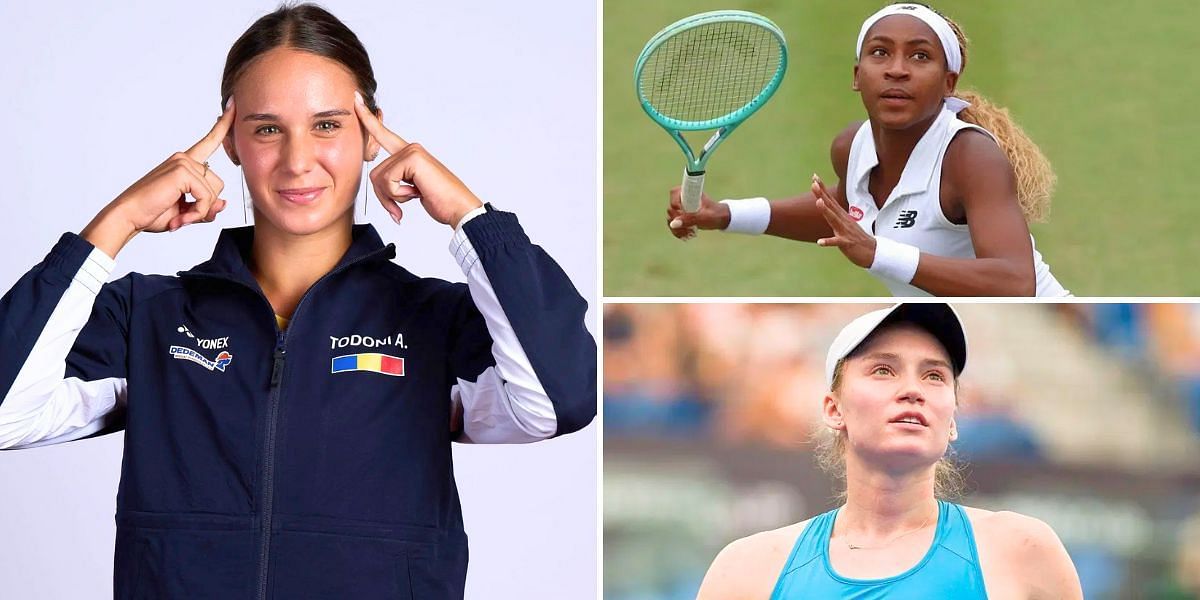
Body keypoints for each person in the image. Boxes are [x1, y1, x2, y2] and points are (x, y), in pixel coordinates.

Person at [0, 4, 594, 599]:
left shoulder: (433, 322)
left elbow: (558, 400)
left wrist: (470, 217)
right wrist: (117, 221)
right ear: (229, 141)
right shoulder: (148, 318)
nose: (297, 159)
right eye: (266, 128)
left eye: (328, 124)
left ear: (372, 131)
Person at [666, 3, 1070, 297]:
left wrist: (878, 253)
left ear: (948, 82)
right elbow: (844, 213)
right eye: (880, 52)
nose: (897, 69)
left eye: (920, 56)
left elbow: (1016, 281)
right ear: (858, 76)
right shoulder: (851, 145)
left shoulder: (970, 158)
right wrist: (725, 214)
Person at [695, 303, 1083, 599]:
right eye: (884, 370)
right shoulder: (746, 570)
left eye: (934, 375)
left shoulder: (1023, 550)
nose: (913, 390)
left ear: (952, 422)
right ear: (834, 409)